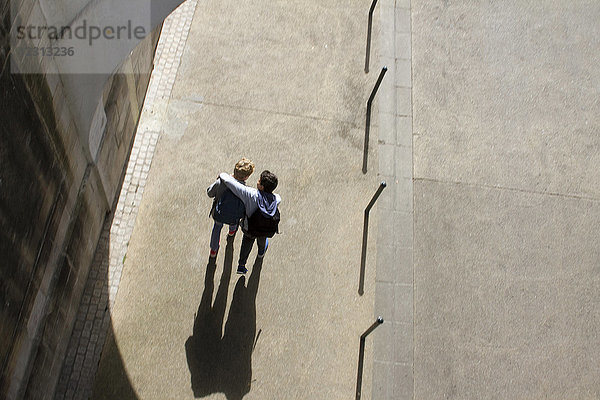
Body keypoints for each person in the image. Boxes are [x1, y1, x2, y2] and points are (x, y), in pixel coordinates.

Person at [218, 170, 281, 274]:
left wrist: (222, 174)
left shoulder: (250, 194)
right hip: (265, 229)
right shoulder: (277, 199)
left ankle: (241, 265)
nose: (257, 181)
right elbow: (277, 199)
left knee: (246, 244)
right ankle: (261, 252)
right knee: (262, 240)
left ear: (262, 186)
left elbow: (232, 184)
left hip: (250, 229)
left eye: (259, 180)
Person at [207, 158, 255, 258]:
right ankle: (232, 232)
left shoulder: (221, 182)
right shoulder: (246, 191)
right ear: (246, 177)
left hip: (219, 214)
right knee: (233, 223)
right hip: (234, 217)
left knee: (217, 228)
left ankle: (213, 250)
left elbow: (210, 193)